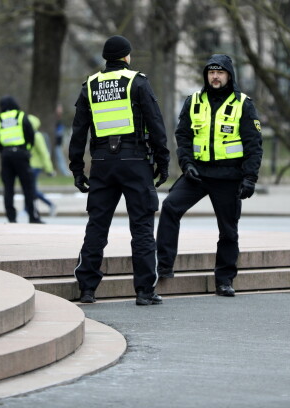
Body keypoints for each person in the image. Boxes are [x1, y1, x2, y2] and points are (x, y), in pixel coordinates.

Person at [69, 35, 170, 306]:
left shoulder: (89, 85)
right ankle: (144, 291)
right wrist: (163, 161)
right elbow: (156, 123)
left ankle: (87, 289)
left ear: (106, 58)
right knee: (142, 227)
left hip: (102, 164)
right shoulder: (137, 82)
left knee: (97, 227)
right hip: (136, 162)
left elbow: (78, 131)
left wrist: (77, 169)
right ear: (126, 56)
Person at [156, 54, 263, 297]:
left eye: (220, 72)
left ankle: (224, 280)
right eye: (211, 72)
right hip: (198, 174)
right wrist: (187, 164)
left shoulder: (242, 104)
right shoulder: (193, 101)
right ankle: (163, 265)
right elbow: (182, 136)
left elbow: (254, 145)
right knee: (170, 207)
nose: (215, 76)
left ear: (229, 75)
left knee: (228, 230)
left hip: (228, 176)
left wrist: (250, 178)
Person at [0, 96, 43, 224]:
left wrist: (2, 150)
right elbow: (30, 134)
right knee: (28, 187)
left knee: (8, 188)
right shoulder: (20, 116)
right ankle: (32, 216)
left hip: (6, 155)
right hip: (21, 154)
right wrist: (26, 149)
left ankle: (11, 217)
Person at [27, 114, 57, 217]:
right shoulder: (28, 135)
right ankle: (29, 209)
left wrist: (49, 169)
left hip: (35, 167)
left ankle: (49, 204)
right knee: (29, 188)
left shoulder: (36, 136)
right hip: (29, 166)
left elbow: (44, 153)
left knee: (31, 189)